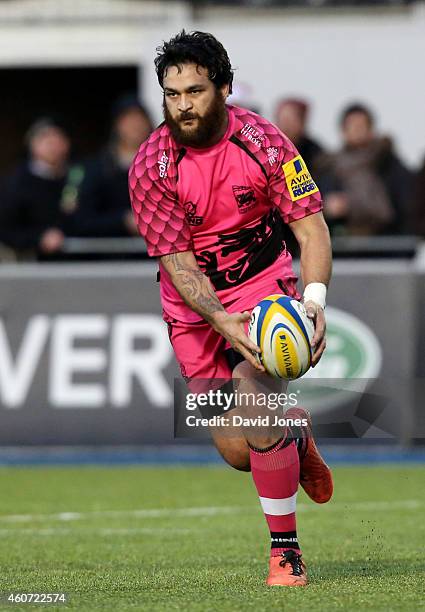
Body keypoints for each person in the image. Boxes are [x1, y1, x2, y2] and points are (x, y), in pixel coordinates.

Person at [129, 30, 333, 587]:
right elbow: (178, 263)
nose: (183, 105)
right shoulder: (151, 165)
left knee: (254, 392)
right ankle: (293, 434)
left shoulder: (266, 144)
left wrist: (312, 304)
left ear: (224, 88)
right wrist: (220, 320)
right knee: (239, 452)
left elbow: (311, 230)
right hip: (195, 310)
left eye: (195, 91)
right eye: (172, 94)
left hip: (265, 288)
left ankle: (285, 553)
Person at [321, 103, 412, 235]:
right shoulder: (329, 166)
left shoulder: (387, 163)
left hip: (386, 242)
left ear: (371, 129)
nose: (357, 131)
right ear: (343, 130)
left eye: (361, 126)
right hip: (342, 244)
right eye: (352, 126)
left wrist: (350, 205)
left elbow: (402, 205)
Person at [0, 118, 81, 259]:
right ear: (32, 144)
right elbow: (7, 229)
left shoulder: (77, 176)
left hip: (74, 259)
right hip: (29, 261)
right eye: (46, 139)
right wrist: (39, 238)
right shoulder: (15, 181)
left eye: (58, 139)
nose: (53, 145)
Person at [73, 95, 153, 237]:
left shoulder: (165, 165)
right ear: (117, 125)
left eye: (140, 119)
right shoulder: (96, 169)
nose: (135, 125)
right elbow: (82, 220)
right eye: (128, 120)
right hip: (109, 254)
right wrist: (122, 221)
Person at [274, 98, 323, 172]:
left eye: (289, 121)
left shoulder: (316, 156)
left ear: (303, 122)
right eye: (281, 120)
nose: (285, 127)